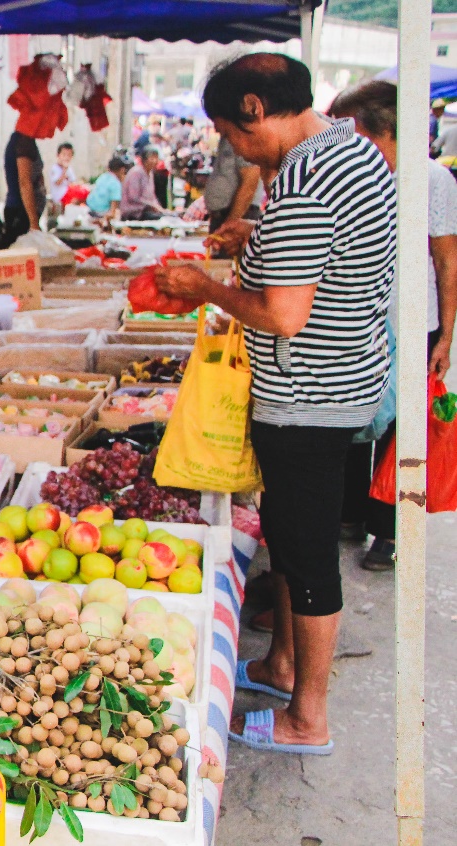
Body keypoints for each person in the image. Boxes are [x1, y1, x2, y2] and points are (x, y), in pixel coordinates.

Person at [155, 53, 395, 755]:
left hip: (309, 396)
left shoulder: (305, 178)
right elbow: (324, 254)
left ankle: (306, 718)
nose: (232, 146)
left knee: (308, 552)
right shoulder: (346, 150)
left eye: (232, 131)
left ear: (256, 107)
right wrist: (254, 238)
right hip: (342, 381)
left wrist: (206, 288)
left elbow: (282, 313)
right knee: (291, 541)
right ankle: (281, 665)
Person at [328, 80, 457, 570]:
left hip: (413, 321)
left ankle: (389, 529)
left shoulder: (431, 180)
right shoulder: (353, 178)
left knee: (404, 432)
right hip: (361, 319)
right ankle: (350, 513)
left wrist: (446, 334)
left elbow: (447, 260)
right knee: (355, 415)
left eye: (352, 131)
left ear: (383, 131)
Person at [0, 129, 46, 249]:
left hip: (22, 212)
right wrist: (33, 223)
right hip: (20, 212)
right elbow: (24, 182)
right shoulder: (23, 142)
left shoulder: (25, 140)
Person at [203, 136, 264, 234]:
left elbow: (250, 182)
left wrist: (231, 223)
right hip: (225, 217)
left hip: (240, 216)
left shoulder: (243, 138)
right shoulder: (228, 138)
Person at [120, 146, 166, 220]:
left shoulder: (150, 173)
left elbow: (152, 196)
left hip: (146, 211)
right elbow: (133, 197)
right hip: (133, 213)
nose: (155, 161)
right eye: (152, 158)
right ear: (144, 160)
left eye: (156, 158)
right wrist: (151, 206)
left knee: (169, 217)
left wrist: (159, 207)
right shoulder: (136, 173)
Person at [47, 142, 77, 214]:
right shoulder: (54, 168)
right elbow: (57, 182)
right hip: (59, 195)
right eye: (64, 155)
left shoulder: (69, 168)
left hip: (67, 193)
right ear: (58, 155)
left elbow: (72, 182)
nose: (66, 157)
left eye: (69, 155)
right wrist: (64, 171)